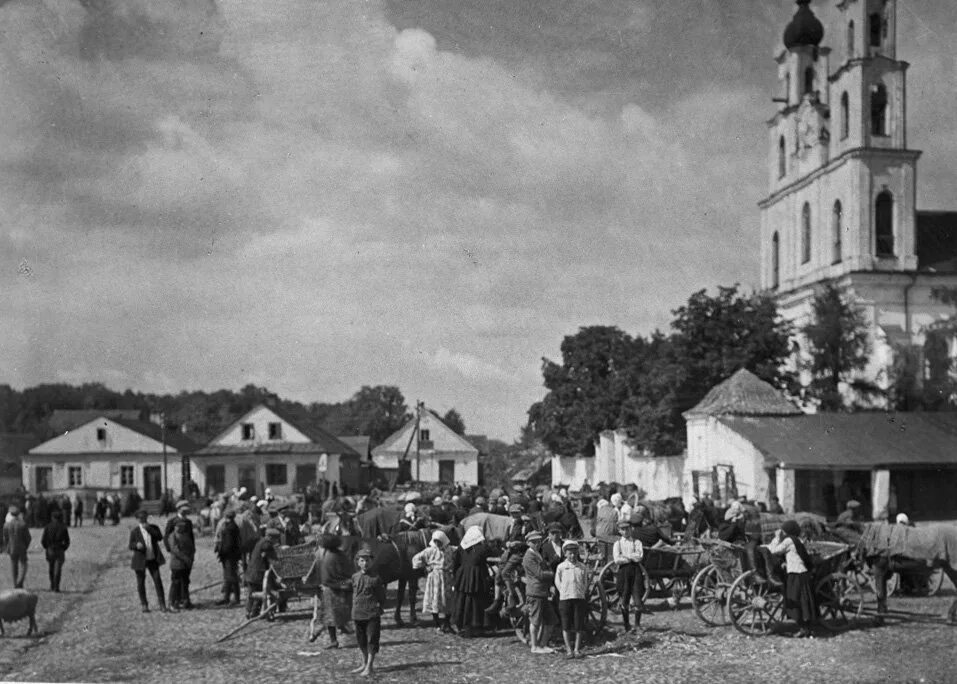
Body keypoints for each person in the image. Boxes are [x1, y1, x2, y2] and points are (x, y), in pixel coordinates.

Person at [766, 520, 816, 638]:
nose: (781, 531)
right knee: (800, 601)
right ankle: (805, 628)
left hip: (797, 574)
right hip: (799, 574)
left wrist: (776, 537)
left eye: (783, 530)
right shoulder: (795, 540)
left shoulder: (789, 540)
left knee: (797, 600)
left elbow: (773, 550)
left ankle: (805, 629)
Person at [351, 545, 385, 677]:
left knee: (372, 640)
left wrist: (379, 607)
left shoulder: (376, 578)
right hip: (357, 613)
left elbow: (382, 596)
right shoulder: (354, 577)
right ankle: (364, 663)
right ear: (358, 562)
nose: (365, 563)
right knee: (361, 641)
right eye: (362, 560)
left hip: (371, 614)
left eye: (367, 560)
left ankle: (370, 667)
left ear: (372, 562)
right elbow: (349, 589)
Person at [451, 526, 492, 637]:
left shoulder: (461, 547)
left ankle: (463, 625)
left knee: (463, 600)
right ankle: (477, 625)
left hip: (463, 575)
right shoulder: (482, 548)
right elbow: (492, 553)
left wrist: (456, 576)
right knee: (476, 600)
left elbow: (455, 562)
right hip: (477, 575)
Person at [522, 530, 558, 654]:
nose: (537, 544)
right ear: (528, 543)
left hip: (542, 591)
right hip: (535, 591)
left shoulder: (537, 553)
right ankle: (534, 646)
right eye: (533, 542)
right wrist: (553, 574)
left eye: (538, 541)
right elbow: (540, 574)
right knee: (536, 621)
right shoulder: (529, 556)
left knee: (551, 620)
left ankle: (542, 644)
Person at [411, 530, 454, 633]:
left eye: (439, 541)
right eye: (435, 541)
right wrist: (425, 567)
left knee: (448, 600)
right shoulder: (430, 550)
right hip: (434, 577)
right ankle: (437, 624)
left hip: (446, 577)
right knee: (435, 599)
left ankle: (447, 623)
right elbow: (416, 558)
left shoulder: (450, 550)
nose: (437, 543)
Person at [554, 540, 589, 659]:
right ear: (565, 554)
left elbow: (585, 581)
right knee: (566, 625)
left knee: (578, 624)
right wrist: (563, 592)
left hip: (578, 598)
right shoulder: (561, 567)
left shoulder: (582, 567)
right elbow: (557, 581)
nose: (572, 555)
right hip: (565, 598)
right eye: (570, 553)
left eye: (574, 553)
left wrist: (581, 592)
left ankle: (577, 650)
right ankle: (569, 650)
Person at [318, 533, 354, 648]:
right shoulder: (342, 554)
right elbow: (349, 572)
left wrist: (338, 584)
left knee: (330, 617)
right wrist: (345, 583)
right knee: (340, 613)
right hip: (344, 588)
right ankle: (343, 626)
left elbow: (327, 578)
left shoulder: (328, 557)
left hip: (331, 590)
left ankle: (334, 640)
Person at [129, 510, 167, 613]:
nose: (143, 520)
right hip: (140, 560)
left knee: (158, 580)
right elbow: (130, 545)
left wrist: (149, 529)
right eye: (140, 518)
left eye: (144, 517)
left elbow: (159, 537)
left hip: (153, 559)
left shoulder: (153, 528)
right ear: (137, 519)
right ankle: (144, 604)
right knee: (140, 583)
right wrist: (136, 545)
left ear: (147, 517)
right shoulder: (135, 531)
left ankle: (162, 604)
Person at [613, 519, 644, 633]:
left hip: (636, 571)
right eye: (623, 529)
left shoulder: (637, 542)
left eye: (627, 528)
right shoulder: (617, 544)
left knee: (637, 600)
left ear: (631, 529)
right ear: (619, 531)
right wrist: (631, 557)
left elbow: (639, 557)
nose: (625, 531)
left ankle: (637, 625)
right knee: (624, 599)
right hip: (623, 572)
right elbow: (617, 560)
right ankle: (627, 625)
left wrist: (626, 556)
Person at [164, 501, 195, 609]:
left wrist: (192, 553)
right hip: (177, 556)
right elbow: (167, 538)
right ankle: (175, 600)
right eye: (183, 509)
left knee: (185, 579)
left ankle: (184, 599)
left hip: (187, 554)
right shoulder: (173, 521)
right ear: (179, 509)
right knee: (177, 580)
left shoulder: (188, 522)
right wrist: (172, 551)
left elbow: (191, 538)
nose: (186, 511)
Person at [244, 528, 281, 618]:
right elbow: (274, 560)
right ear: (270, 537)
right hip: (258, 573)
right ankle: (254, 612)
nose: (277, 541)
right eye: (276, 539)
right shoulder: (267, 545)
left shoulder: (261, 541)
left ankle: (249, 612)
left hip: (251, 572)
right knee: (260, 592)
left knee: (252, 593)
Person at [216, 509, 243, 607]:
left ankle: (235, 598)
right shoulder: (232, 526)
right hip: (231, 555)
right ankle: (227, 597)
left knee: (231, 577)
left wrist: (222, 553)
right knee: (229, 577)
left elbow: (228, 544)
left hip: (229, 556)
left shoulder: (230, 528)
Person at [40, 509, 70, 592]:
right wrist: (64, 548)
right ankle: (56, 586)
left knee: (51, 568)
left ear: (52, 517)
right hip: (60, 549)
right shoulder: (63, 527)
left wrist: (47, 547)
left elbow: (43, 540)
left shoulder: (48, 527)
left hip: (50, 550)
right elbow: (67, 541)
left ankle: (52, 584)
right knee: (58, 569)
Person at [3, 506, 31, 589]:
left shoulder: (6, 525)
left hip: (11, 547)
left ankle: (15, 583)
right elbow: (28, 538)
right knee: (24, 565)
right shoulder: (23, 524)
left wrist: (7, 546)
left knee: (14, 565)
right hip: (22, 547)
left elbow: (5, 538)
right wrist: (26, 546)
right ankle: (20, 581)